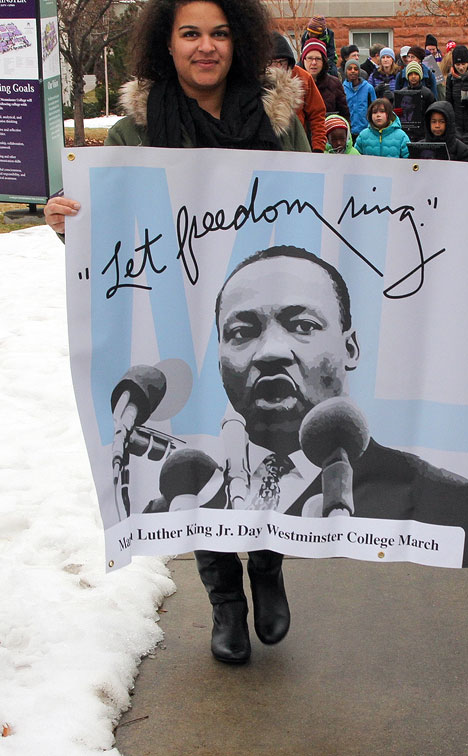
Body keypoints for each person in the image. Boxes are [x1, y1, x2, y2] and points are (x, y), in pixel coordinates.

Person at [44, 0, 311, 667]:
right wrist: (68, 219)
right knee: (200, 448)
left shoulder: (278, 120)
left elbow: (316, 209)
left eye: (220, 33)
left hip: (259, 320)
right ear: (166, 45)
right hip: (178, 319)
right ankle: (223, 599)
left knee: (263, 440)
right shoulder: (136, 131)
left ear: (240, 43)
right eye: (190, 33)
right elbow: (113, 223)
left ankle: (268, 565)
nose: (205, 47)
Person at [215, 246, 468, 566]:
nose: (270, 352)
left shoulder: (441, 502)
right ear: (219, 358)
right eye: (240, 333)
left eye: (303, 326)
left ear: (350, 349)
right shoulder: (183, 507)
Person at [269, 31, 327, 152]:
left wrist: (318, 148)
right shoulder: (256, 81)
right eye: (274, 62)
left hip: (296, 143)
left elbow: (317, 115)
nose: (279, 67)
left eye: (282, 62)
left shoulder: (303, 78)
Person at [300, 38, 349, 120]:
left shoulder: (334, 84)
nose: (314, 62)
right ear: (304, 60)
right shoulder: (295, 84)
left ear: (324, 61)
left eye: (318, 59)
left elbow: (345, 114)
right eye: (310, 58)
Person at [393, 61, 436, 142]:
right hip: (405, 132)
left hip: (422, 133)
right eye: (410, 74)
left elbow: (432, 113)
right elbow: (396, 113)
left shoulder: (427, 93)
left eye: (416, 74)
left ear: (420, 76)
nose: (413, 77)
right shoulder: (402, 92)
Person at [342, 58, 376, 140]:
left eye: (356, 69)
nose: (353, 71)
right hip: (348, 131)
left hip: (366, 131)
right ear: (346, 71)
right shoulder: (342, 89)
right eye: (350, 69)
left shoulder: (368, 88)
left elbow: (374, 108)